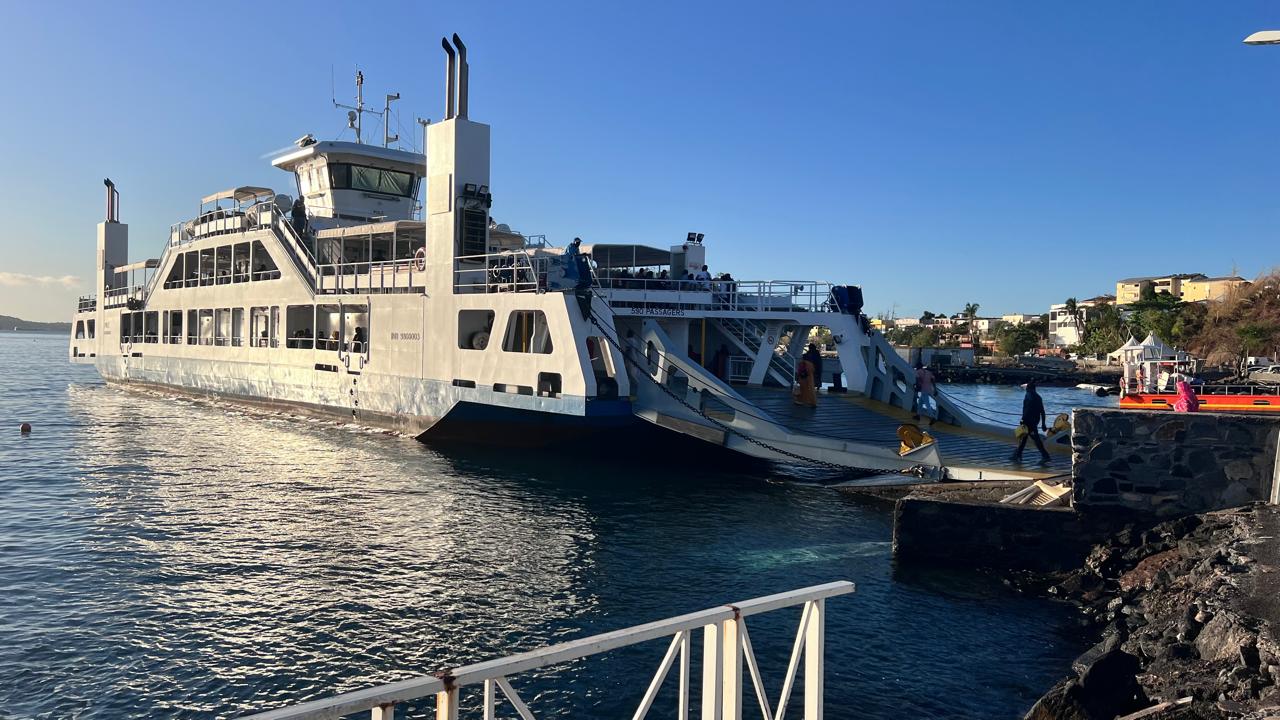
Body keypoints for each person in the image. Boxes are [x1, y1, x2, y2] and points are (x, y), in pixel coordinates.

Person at [1012, 381, 1051, 464]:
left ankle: (1045, 456)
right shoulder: (1038, 397)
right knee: (1024, 437)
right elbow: (1042, 411)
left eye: (1027, 388)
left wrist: (1023, 419)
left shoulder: (1029, 395)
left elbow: (1027, 409)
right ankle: (1018, 454)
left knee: (1034, 439)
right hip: (1035, 421)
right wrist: (1043, 423)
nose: (1026, 389)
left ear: (1029, 388)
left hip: (1028, 421)